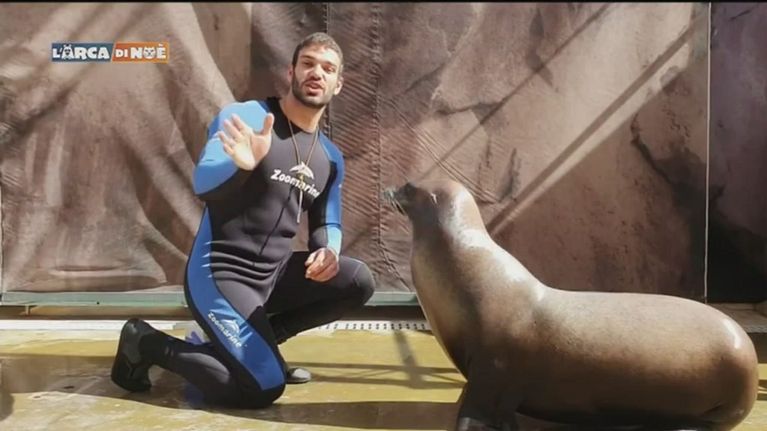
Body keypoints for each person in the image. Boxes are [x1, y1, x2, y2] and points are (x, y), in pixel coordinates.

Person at [110, 32, 375, 408]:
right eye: (308, 64)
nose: (317, 73)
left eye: (328, 69)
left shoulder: (329, 158)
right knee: (263, 389)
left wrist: (328, 251)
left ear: (338, 84)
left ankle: (264, 344)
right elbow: (204, 184)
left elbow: (326, 222)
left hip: (272, 276)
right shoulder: (248, 118)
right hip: (221, 274)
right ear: (291, 72)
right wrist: (242, 166)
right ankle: (147, 342)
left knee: (358, 281)